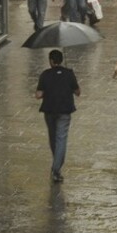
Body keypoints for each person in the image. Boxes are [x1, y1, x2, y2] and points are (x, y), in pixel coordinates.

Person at [35, 49, 80, 183]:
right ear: (61, 60)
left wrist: (44, 93)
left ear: (51, 61)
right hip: (65, 111)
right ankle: (56, 168)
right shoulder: (69, 74)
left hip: (49, 111)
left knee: (53, 138)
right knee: (61, 139)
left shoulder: (45, 74)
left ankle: (56, 164)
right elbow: (78, 92)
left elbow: (38, 94)